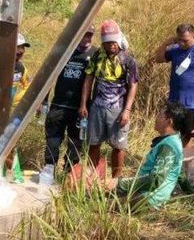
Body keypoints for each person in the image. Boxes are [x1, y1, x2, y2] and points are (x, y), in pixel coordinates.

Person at [79, 19, 139, 178]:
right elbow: (88, 80)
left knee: (118, 146)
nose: (111, 46)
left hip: (118, 110)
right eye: (107, 43)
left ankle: (116, 180)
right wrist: (83, 104)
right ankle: (91, 176)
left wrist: (127, 110)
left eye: (113, 42)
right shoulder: (97, 56)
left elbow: (133, 85)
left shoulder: (128, 60)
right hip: (97, 108)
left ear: (119, 40)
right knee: (94, 143)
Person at [104, 102, 185, 209]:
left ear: (168, 121)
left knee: (100, 203)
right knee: (103, 191)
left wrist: (120, 184)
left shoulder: (168, 146)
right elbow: (180, 173)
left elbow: (155, 179)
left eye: (159, 115)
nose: (156, 118)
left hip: (148, 198)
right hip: (146, 192)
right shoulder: (175, 140)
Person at [152, 23, 194, 146]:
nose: (182, 43)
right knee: (170, 134)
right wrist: (166, 43)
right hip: (174, 102)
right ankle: (175, 161)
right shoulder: (175, 50)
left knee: (187, 136)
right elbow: (158, 59)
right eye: (179, 40)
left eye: (185, 40)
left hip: (191, 103)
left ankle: (189, 164)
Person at [41, 26, 97, 175]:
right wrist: (43, 101)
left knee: (75, 144)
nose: (86, 39)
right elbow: (49, 76)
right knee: (53, 141)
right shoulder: (64, 51)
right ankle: (48, 172)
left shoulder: (95, 54)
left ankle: (68, 176)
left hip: (80, 109)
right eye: (84, 35)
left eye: (89, 35)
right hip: (58, 105)